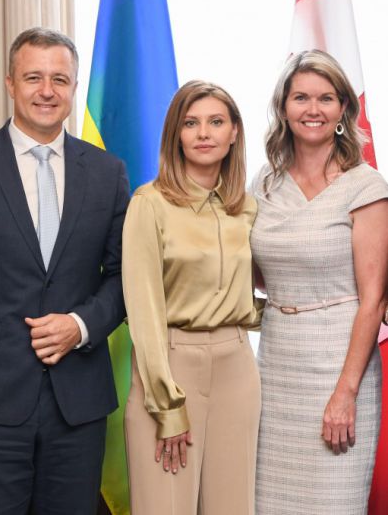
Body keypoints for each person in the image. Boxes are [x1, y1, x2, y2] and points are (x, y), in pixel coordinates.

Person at [0, 27, 130, 514]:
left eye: (60, 79)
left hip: (78, 403)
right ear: (10, 83)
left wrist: (80, 325)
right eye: (34, 77)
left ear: (74, 87)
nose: (47, 90)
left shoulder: (107, 172)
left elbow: (124, 277)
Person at [251, 50, 388, 514]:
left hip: (339, 367)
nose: (313, 109)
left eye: (326, 98)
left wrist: (345, 392)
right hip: (275, 367)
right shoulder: (264, 184)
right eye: (301, 98)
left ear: (343, 108)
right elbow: (255, 273)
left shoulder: (365, 185)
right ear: (283, 107)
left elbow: (373, 300)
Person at [122, 80, 261, 514]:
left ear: (234, 132)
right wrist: (166, 405)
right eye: (191, 123)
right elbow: (143, 309)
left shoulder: (247, 208)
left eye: (216, 122)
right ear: (175, 135)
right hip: (171, 363)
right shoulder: (149, 204)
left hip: (237, 367)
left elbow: (254, 288)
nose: (203, 133)